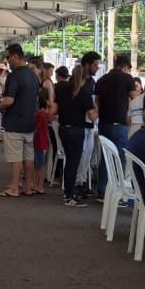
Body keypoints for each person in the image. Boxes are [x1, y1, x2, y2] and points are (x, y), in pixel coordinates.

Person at [0, 45, 39, 198]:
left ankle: (14, 188)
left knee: (15, 158)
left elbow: (9, 100)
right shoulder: (34, 75)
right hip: (29, 122)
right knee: (29, 157)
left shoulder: (14, 75)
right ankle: (28, 187)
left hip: (15, 122)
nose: (7, 61)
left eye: (7, 57)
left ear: (15, 56)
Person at [54, 58, 97, 207]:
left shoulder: (60, 88)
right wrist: (98, 108)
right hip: (77, 130)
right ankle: (69, 195)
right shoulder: (84, 92)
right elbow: (92, 116)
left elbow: (54, 109)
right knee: (73, 163)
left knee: (68, 161)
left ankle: (67, 191)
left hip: (63, 128)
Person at [94, 55, 136, 198]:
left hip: (104, 123)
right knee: (120, 159)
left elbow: (97, 101)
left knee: (106, 157)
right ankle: (117, 191)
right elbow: (135, 98)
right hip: (120, 124)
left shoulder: (101, 80)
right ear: (125, 67)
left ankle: (102, 190)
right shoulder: (127, 79)